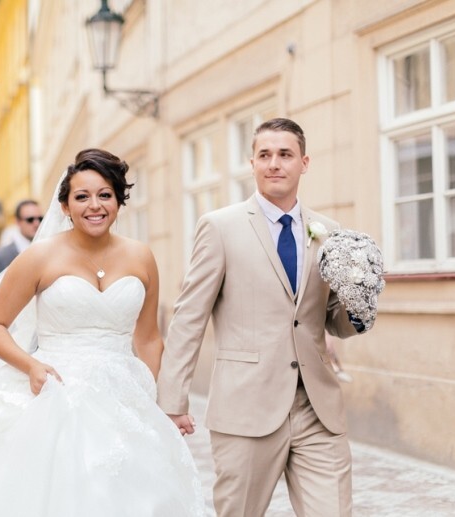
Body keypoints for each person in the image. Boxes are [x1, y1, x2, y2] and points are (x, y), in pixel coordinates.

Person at [0, 149, 206, 517]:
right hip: (56, 393)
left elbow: (148, 338)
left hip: (125, 397)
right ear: (65, 206)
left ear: (118, 201)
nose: (94, 205)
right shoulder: (40, 257)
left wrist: (161, 404)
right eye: (81, 196)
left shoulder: (141, 256)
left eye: (104, 195)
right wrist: (30, 365)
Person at [157, 118, 368, 516]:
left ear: (304, 163)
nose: (274, 163)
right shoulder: (220, 228)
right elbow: (189, 316)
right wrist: (173, 399)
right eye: (265, 155)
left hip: (316, 408)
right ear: (251, 163)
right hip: (246, 407)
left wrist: (359, 307)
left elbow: (331, 320)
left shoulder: (330, 232)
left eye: (285, 155)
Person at [0, 199, 43, 288]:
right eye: (30, 219)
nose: (36, 223)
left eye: (40, 219)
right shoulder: (0, 257)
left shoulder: (49, 250)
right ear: (17, 222)